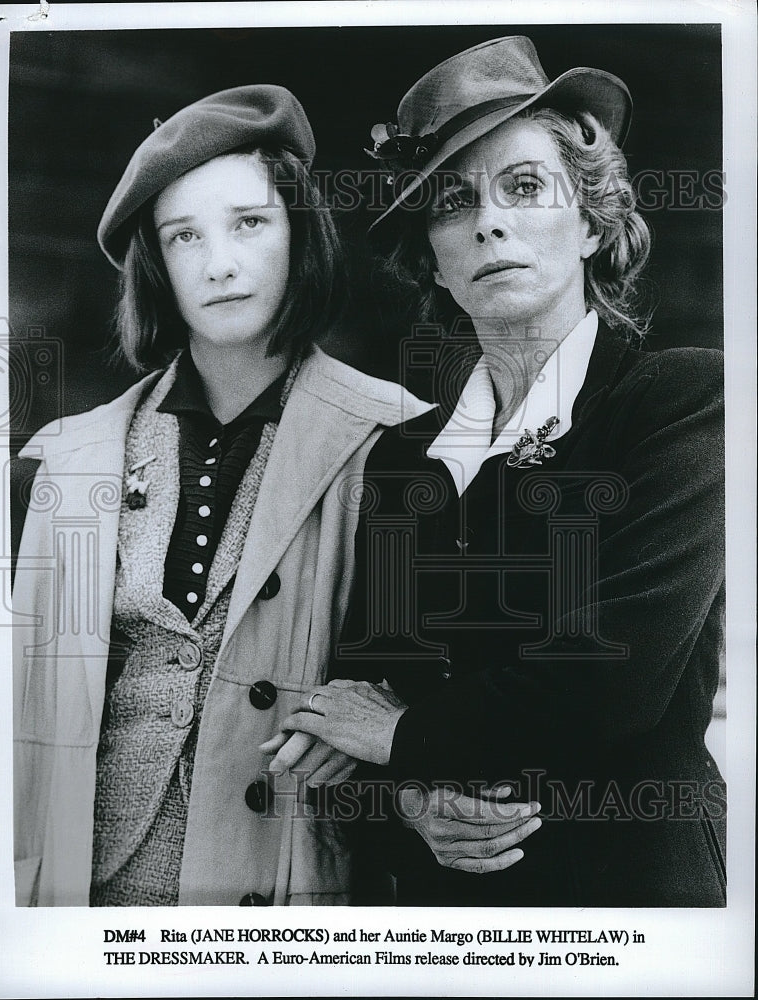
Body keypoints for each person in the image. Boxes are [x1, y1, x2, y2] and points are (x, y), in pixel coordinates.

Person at [12, 83, 541, 907]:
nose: (219, 262)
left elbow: (421, 693)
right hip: (84, 896)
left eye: (250, 223)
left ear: (301, 234)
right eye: (184, 236)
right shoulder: (68, 459)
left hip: (283, 888)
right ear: (157, 263)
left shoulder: (402, 442)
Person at [266, 36, 727, 906]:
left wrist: (408, 742)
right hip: (445, 917)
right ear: (434, 258)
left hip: (629, 909)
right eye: (451, 202)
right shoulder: (406, 457)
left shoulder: (682, 400)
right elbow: (364, 693)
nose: (488, 221)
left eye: (525, 187)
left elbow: (613, 679)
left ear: (593, 221)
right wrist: (410, 800)